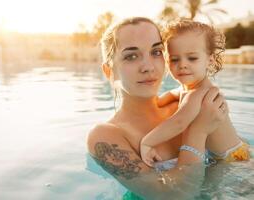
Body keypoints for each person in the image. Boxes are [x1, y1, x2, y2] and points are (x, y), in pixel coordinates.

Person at [87, 17, 228, 198]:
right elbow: (174, 195)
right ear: (109, 71)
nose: (149, 67)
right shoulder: (106, 136)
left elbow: (235, 155)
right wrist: (198, 132)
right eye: (131, 56)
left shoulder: (186, 105)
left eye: (156, 52)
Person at [140, 20, 250, 167]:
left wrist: (147, 142)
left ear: (209, 60)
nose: (183, 64)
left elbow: (179, 123)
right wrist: (156, 102)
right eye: (174, 59)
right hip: (233, 149)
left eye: (192, 58)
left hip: (234, 159)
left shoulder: (198, 94)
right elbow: (173, 94)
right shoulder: (189, 89)